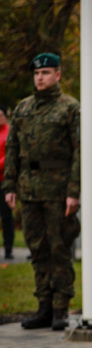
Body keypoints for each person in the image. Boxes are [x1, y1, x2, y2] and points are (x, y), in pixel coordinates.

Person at [2, 53, 81, 330]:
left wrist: (74, 191)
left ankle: (61, 307)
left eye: (46, 73)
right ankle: (44, 306)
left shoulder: (70, 108)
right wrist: (9, 185)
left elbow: (79, 152)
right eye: (37, 73)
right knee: (37, 249)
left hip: (59, 191)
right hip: (30, 190)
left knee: (59, 248)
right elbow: (12, 149)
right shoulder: (23, 108)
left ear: (57, 75)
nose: (40, 78)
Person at [0, 104, 14, 259]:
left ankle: (8, 247)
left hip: (5, 180)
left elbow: (10, 154)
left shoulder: (9, 131)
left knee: (6, 215)